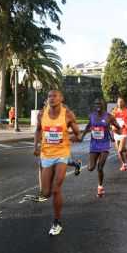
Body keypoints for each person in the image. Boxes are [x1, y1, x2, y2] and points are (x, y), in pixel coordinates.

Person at [34, 90, 82, 236]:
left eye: (55, 96)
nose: (51, 98)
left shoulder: (67, 114)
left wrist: (71, 137)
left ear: (61, 98)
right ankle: (75, 163)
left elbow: (77, 134)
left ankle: (57, 222)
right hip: (47, 154)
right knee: (45, 193)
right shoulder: (42, 114)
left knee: (56, 188)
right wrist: (36, 145)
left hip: (62, 153)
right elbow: (38, 130)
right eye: (49, 96)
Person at [81, 99, 121, 197]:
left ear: (103, 105)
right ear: (94, 105)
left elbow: (117, 126)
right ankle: (80, 164)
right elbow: (88, 126)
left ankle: (100, 187)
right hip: (94, 144)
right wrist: (82, 136)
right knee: (91, 168)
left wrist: (115, 128)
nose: (98, 105)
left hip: (104, 144)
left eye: (99, 103)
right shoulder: (91, 115)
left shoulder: (109, 116)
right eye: (96, 104)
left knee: (100, 167)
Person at [112, 97, 127, 171]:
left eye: (121, 102)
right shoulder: (114, 111)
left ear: (123, 103)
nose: (120, 103)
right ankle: (124, 164)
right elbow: (111, 120)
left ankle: (126, 152)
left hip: (124, 131)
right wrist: (112, 126)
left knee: (120, 150)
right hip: (116, 132)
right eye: (118, 102)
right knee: (119, 151)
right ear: (117, 103)